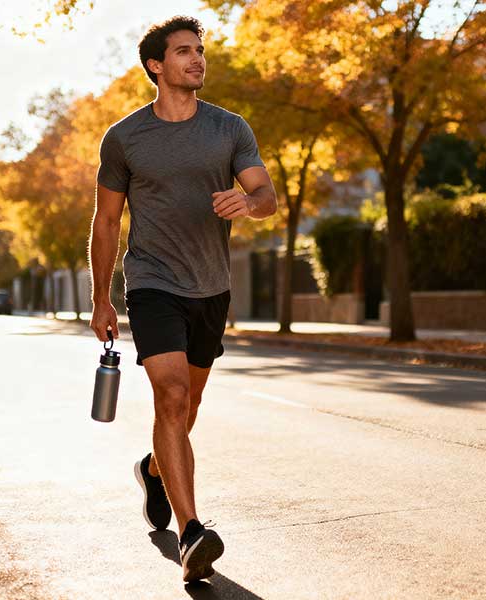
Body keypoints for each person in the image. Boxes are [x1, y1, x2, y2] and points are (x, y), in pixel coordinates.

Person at [86, 15, 277, 583]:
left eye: (200, 51)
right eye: (185, 52)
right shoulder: (124, 138)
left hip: (211, 287)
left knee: (186, 410)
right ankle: (194, 533)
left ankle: (152, 469)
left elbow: (264, 192)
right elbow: (106, 220)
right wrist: (102, 299)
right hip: (152, 283)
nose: (198, 60)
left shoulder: (229, 129)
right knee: (169, 397)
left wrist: (251, 205)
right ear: (156, 65)